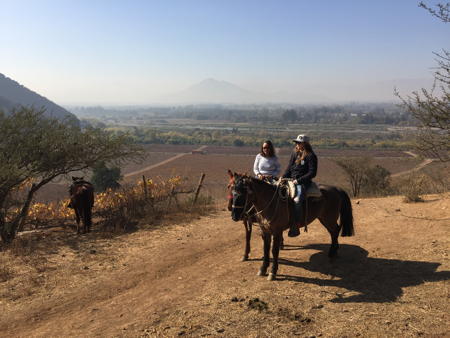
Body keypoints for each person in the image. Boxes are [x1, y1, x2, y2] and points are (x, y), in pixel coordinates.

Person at [282, 134, 318, 237]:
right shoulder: (294, 153)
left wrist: (298, 181)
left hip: (303, 183)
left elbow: (312, 173)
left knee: (297, 200)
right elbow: (289, 167)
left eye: (298, 143)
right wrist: (283, 177)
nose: (296, 144)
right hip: (290, 180)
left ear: (304, 144)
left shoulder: (311, 156)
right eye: (296, 142)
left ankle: (296, 225)